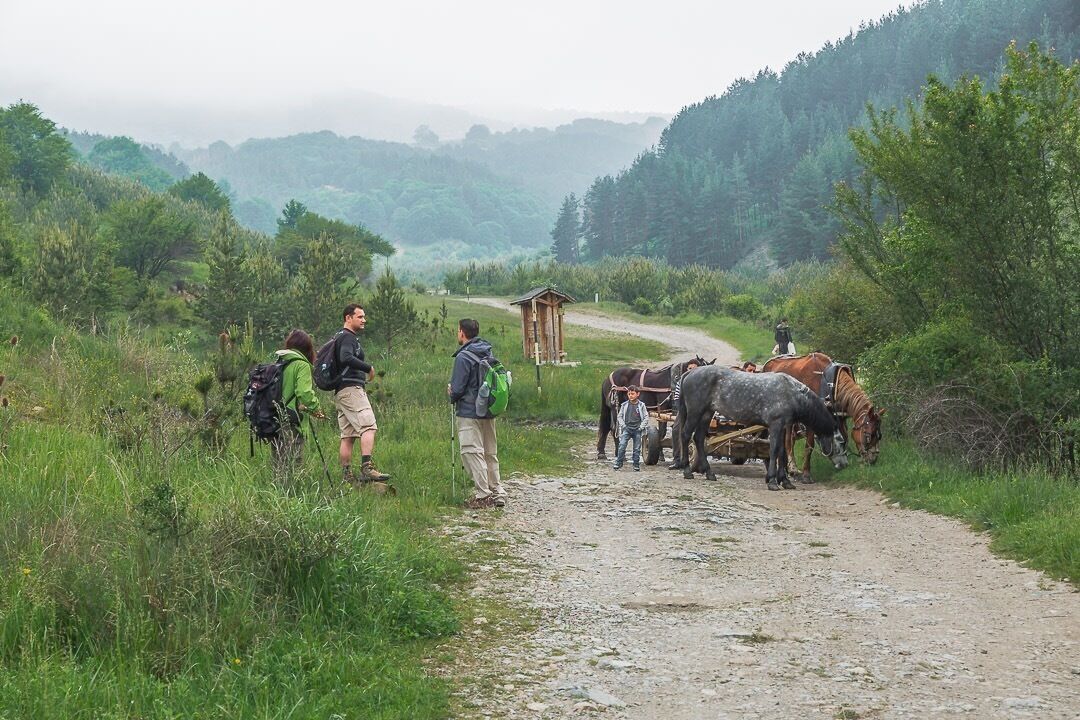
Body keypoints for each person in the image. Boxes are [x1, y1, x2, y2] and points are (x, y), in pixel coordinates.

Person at [449, 318, 505, 509]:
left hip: (469, 411)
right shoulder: (487, 351)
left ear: (462, 333)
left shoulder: (463, 357)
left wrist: (451, 392)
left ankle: (483, 494)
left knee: (472, 451)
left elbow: (457, 389)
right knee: (490, 452)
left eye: (458, 331)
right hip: (488, 410)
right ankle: (497, 491)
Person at [335, 303, 391, 486]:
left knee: (348, 435)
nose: (364, 320)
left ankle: (347, 476)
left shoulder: (339, 337)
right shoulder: (348, 338)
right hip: (352, 389)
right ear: (348, 318)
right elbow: (346, 357)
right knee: (369, 426)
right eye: (360, 317)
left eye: (364, 316)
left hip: (341, 391)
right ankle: (367, 468)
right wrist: (369, 368)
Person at [270, 329, 327, 488]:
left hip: (274, 418)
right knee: (294, 461)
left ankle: (277, 494)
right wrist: (316, 407)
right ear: (307, 348)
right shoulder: (301, 365)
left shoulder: (280, 363)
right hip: (292, 419)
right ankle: (293, 494)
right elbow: (304, 393)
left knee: (278, 462)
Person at [666, 360, 700, 470]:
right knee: (676, 430)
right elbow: (677, 397)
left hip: (699, 411)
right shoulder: (682, 380)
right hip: (685, 410)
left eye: (695, 368)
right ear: (687, 369)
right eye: (690, 368)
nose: (692, 370)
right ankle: (677, 459)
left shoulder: (702, 381)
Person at [613, 385, 649, 471]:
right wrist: (623, 426)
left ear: (638, 394)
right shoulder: (624, 405)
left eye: (632, 394)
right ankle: (619, 462)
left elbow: (646, 417)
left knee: (636, 448)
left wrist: (641, 427)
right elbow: (620, 416)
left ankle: (636, 464)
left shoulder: (641, 405)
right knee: (622, 445)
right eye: (629, 394)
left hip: (637, 430)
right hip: (627, 429)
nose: (630, 396)